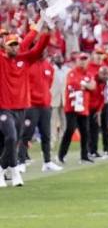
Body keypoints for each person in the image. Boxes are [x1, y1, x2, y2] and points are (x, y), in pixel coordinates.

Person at [0, 24, 50, 187]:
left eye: (16, 45)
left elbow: (38, 48)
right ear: (5, 47)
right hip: (4, 107)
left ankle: (8, 171)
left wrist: (45, 32)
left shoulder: (24, 59)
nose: (14, 48)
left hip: (21, 108)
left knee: (13, 141)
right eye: (10, 45)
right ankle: (7, 169)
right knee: (11, 137)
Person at [17, 36, 63, 172]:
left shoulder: (50, 67)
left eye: (45, 50)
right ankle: (21, 161)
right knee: (26, 134)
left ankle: (47, 161)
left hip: (45, 105)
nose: (44, 52)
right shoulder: (29, 64)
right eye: (41, 49)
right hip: (31, 105)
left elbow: (48, 84)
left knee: (46, 134)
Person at [58, 53, 96, 164]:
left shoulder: (89, 74)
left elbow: (93, 86)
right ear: (77, 61)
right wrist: (85, 84)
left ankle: (84, 155)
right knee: (70, 129)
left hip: (83, 107)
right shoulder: (72, 73)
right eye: (81, 59)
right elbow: (73, 84)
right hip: (72, 107)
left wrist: (84, 84)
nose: (83, 62)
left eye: (85, 59)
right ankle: (61, 154)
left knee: (85, 132)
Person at [88, 66, 108, 158]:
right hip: (91, 106)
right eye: (103, 74)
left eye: (106, 74)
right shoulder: (92, 80)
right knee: (92, 128)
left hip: (102, 104)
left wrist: (99, 110)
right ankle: (91, 150)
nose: (105, 76)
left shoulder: (107, 81)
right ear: (99, 73)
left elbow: (105, 97)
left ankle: (106, 149)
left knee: (104, 127)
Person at [49, 52, 69, 153]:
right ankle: (52, 142)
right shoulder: (51, 69)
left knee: (64, 122)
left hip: (65, 99)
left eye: (60, 57)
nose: (59, 59)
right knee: (52, 122)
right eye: (56, 57)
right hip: (53, 97)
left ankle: (62, 141)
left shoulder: (67, 70)